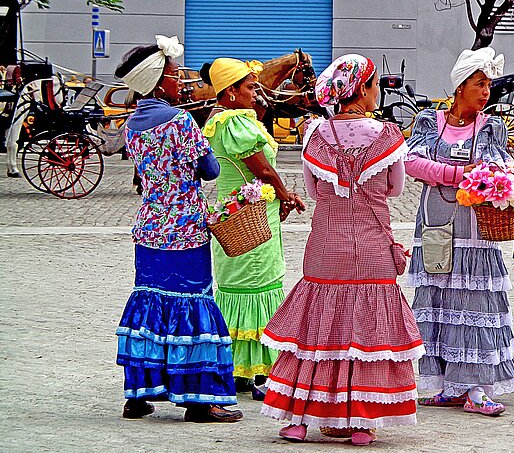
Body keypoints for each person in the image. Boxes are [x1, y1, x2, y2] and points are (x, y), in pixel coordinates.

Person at [260, 54, 424, 446]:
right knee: (366, 333)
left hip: (326, 245)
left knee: (318, 328)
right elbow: (395, 190)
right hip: (371, 246)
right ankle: (362, 422)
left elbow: (316, 192)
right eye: (375, 85)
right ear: (364, 89)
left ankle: (300, 418)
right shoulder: (387, 137)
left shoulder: (316, 135)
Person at [114, 36, 241, 423]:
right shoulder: (181, 120)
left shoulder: (131, 124)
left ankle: (138, 396)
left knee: (148, 303)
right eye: (174, 75)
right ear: (158, 81)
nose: (180, 82)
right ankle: (199, 399)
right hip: (185, 227)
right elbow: (210, 169)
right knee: (192, 304)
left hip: (149, 227)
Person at [405, 47, 514, 415]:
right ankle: (443, 385)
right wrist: (456, 173)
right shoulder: (428, 121)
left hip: (475, 230)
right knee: (438, 301)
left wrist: (463, 173)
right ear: (459, 87)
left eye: (488, 85)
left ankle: (475, 388)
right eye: (479, 84)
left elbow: (494, 170)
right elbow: (411, 162)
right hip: (435, 224)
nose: (486, 92)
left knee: (472, 302)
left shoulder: (492, 127)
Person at [200, 58, 306, 400]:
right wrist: (285, 192)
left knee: (236, 287)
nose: (255, 92)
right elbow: (262, 170)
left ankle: (238, 368)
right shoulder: (234, 123)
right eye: (248, 87)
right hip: (251, 216)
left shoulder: (219, 121)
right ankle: (260, 373)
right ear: (230, 92)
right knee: (258, 285)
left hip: (237, 213)